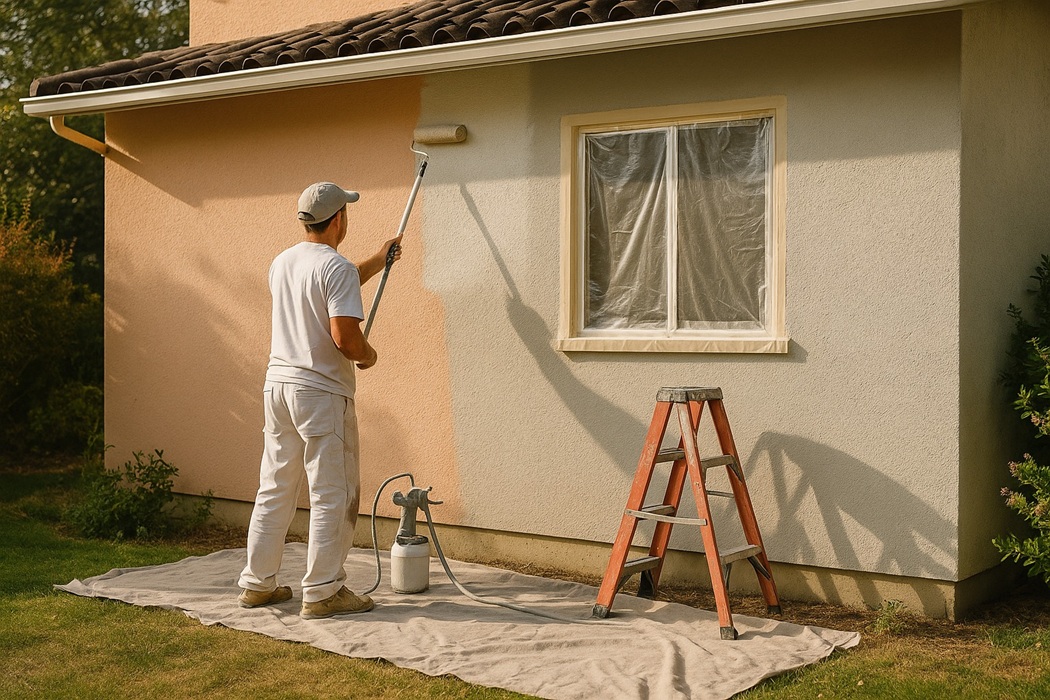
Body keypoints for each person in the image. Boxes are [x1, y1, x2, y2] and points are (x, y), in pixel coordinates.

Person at [237, 181, 401, 619]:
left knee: (275, 487)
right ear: (339, 219)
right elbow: (344, 337)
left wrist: (375, 262)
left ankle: (257, 584)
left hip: (278, 388)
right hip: (321, 393)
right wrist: (368, 356)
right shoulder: (337, 269)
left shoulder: (282, 262)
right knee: (333, 491)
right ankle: (324, 592)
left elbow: (327, 286)